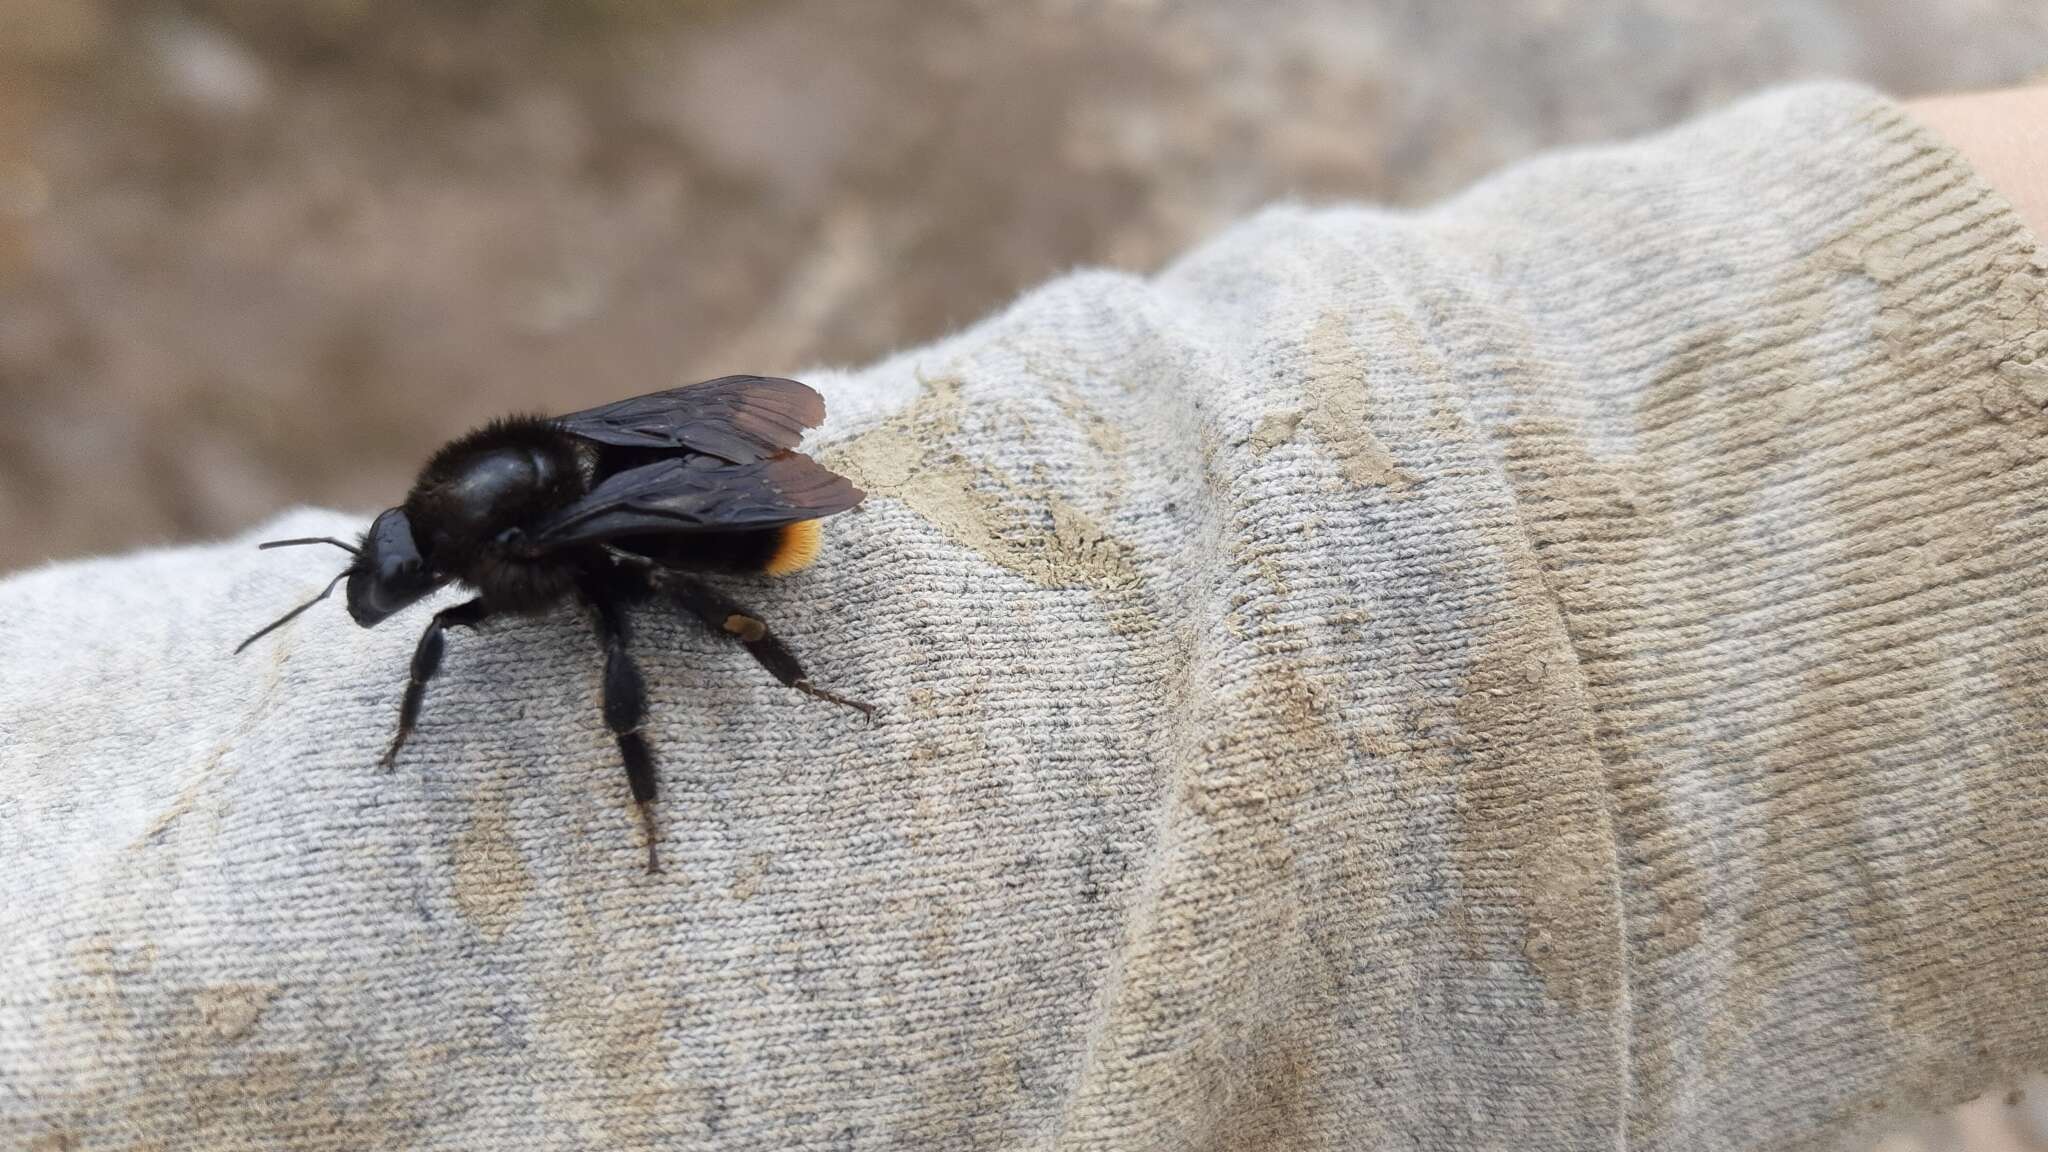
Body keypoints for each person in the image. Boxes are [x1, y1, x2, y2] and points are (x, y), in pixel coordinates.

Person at [2, 80, 2042, 1152]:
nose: (407, 602)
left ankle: (789, 700)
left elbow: (711, 479)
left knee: (639, 626)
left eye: (404, 583)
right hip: (714, 473)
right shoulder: (466, 516)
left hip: (757, 533)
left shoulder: (496, 560)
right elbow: (654, 436)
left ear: (445, 544)